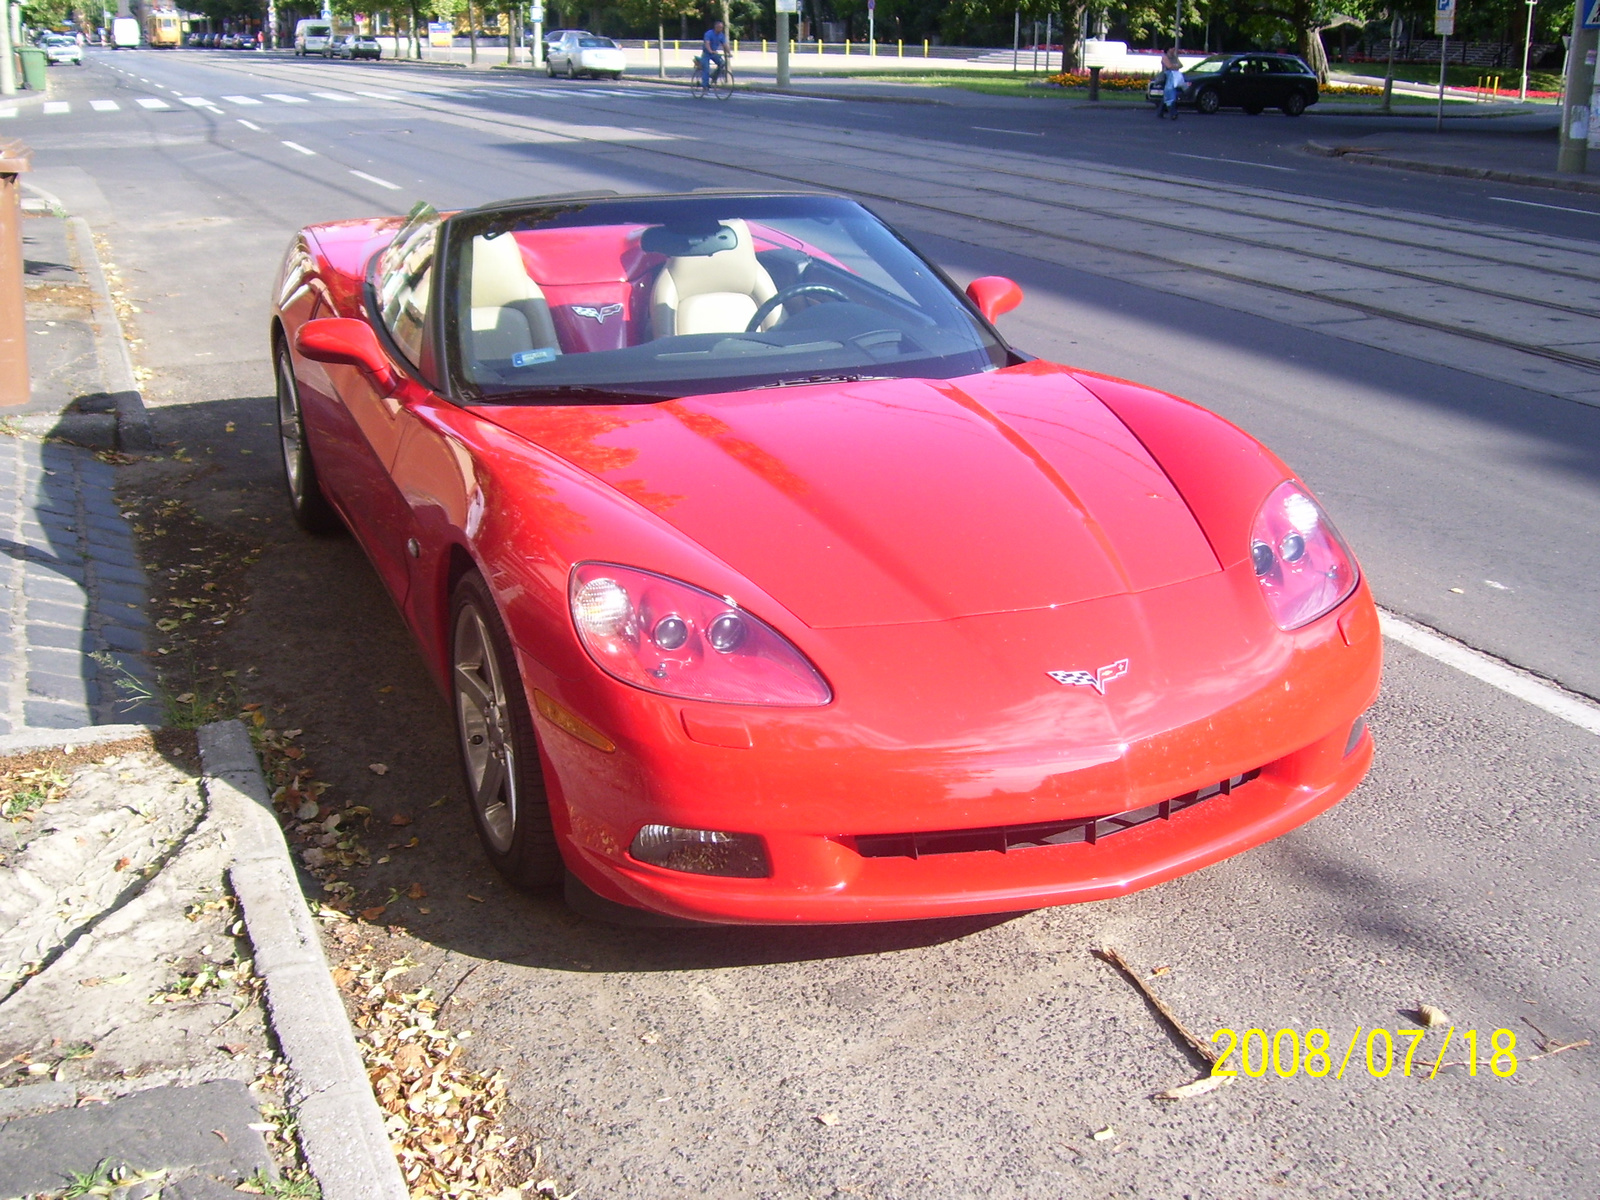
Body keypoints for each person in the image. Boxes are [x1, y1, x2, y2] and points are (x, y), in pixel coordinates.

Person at [700, 19, 728, 90]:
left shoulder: (721, 35)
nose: (721, 29)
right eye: (720, 27)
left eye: (722, 27)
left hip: (714, 53)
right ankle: (705, 85)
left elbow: (725, 45)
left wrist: (729, 53)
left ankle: (714, 76)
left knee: (722, 63)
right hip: (706, 53)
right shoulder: (709, 33)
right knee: (706, 68)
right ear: (716, 27)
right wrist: (710, 50)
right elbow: (707, 43)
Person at [1158, 46, 1183, 119]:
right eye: (1172, 48)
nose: (1174, 50)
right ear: (1168, 49)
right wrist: (1176, 66)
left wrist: (1174, 66)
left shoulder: (1174, 57)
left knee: (1167, 95)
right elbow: (1169, 66)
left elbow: (1181, 65)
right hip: (1167, 78)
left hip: (1174, 77)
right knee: (1171, 95)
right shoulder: (1165, 57)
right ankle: (1173, 113)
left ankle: (1160, 112)